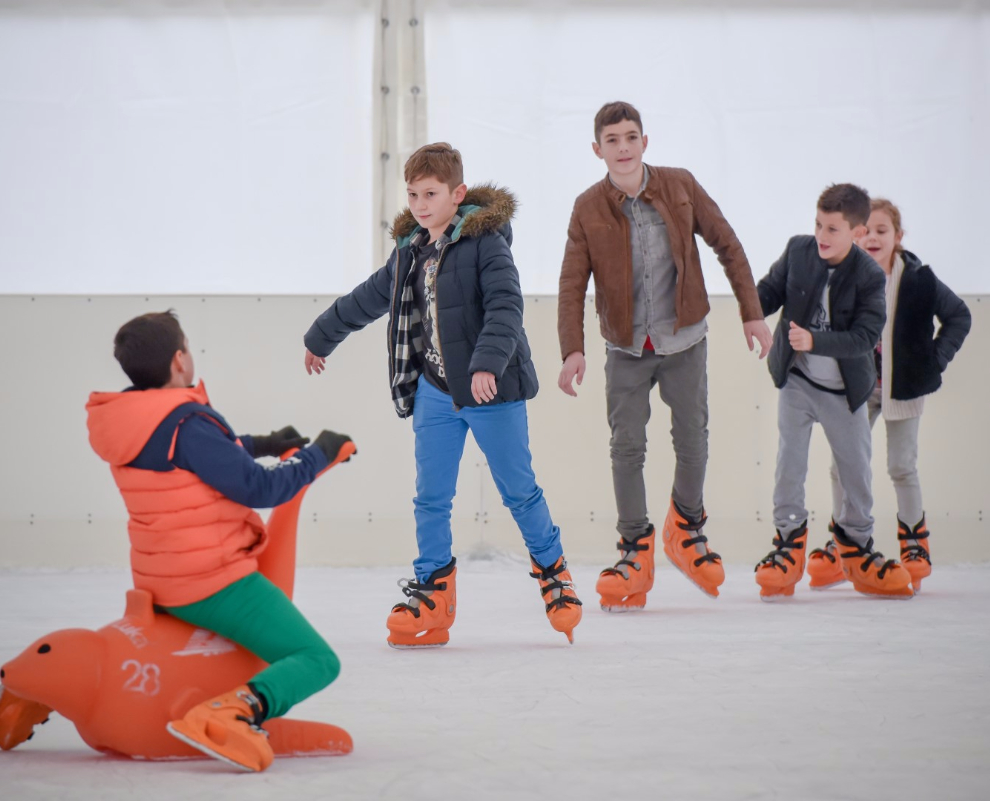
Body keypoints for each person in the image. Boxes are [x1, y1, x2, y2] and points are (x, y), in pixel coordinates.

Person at [303, 142, 582, 647]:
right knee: (431, 497)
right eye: (412, 194)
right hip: (435, 391)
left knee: (519, 491)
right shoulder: (410, 251)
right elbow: (368, 298)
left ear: (457, 194)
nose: (420, 205)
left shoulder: (486, 244)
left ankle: (554, 573)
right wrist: (321, 337)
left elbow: (505, 307)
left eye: (430, 194)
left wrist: (486, 363)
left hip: (492, 390)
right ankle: (433, 594)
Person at [86, 310, 351, 772]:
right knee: (316, 659)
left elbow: (194, 458)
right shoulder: (186, 423)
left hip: (157, 580)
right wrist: (316, 455)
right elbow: (261, 489)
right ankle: (232, 713)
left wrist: (262, 443)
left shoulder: (132, 421)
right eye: (187, 347)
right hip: (212, 582)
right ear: (179, 360)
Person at [557, 100, 772, 611]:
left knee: (692, 438)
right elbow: (571, 284)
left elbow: (728, 245)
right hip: (626, 347)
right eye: (612, 140)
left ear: (645, 142)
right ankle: (635, 550)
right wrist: (572, 350)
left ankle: (687, 528)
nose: (623, 148)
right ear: (597, 150)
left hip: (684, 341)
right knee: (626, 447)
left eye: (631, 137)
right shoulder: (588, 207)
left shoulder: (680, 186)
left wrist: (753, 313)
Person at [753, 183, 915, 600]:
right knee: (789, 464)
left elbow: (865, 337)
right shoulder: (799, 250)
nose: (821, 236)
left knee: (855, 471)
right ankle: (788, 544)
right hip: (797, 381)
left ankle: (856, 545)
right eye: (818, 225)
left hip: (844, 392)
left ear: (857, 233)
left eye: (833, 229)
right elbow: (768, 291)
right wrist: (747, 308)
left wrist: (815, 340)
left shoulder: (869, 276)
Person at [807, 198, 971, 593]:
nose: (873, 238)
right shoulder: (842, 277)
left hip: (904, 387)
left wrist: (933, 361)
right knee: (841, 466)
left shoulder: (919, 279)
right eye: (866, 231)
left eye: (883, 231)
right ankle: (843, 541)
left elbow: (958, 316)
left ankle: (914, 544)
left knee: (902, 466)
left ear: (898, 237)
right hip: (858, 389)